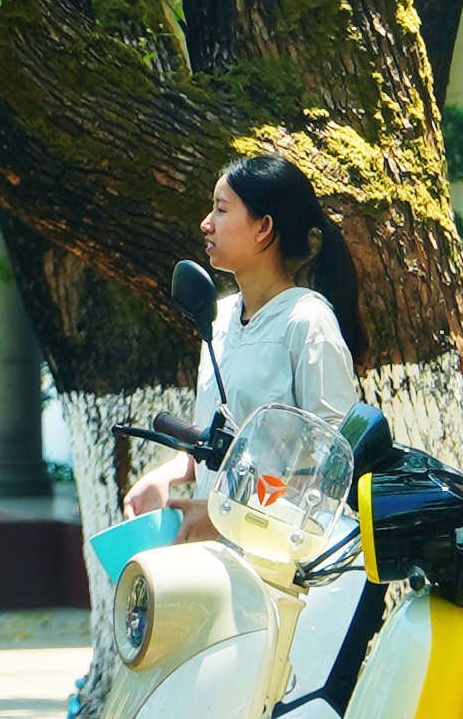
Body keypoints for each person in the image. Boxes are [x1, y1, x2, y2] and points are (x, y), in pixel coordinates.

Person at [123, 153, 364, 542]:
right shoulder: (216, 317)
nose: (206, 223)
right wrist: (166, 475)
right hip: (210, 559)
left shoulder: (307, 322)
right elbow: (222, 443)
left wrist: (229, 517)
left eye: (220, 210)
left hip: (275, 569)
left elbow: (334, 462)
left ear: (263, 228)